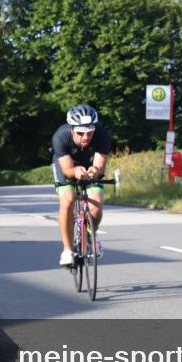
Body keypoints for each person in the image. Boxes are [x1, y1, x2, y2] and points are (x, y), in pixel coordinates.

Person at [51, 104, 114, 266]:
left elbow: (100, 166)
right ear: (72, 130)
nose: (85, 137)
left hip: (88, 164)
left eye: (89, 133)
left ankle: (91, 236)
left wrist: (95, 170)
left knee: (96, 203)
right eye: (80, 133)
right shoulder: (60, 137)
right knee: (68, 199)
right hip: (67, 165)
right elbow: (67, 170)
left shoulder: (103, 136)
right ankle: (67, 250)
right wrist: (75, 172)